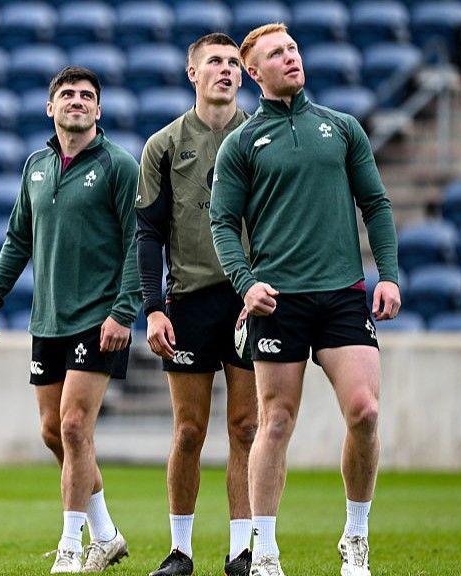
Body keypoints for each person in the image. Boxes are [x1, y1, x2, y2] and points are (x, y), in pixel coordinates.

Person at [210, 23, 401, 576]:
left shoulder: (341, 128)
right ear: (254, 71)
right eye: (276, 53)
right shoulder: (241, 143)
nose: (290, 58)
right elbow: (222, 222)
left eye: (292, 48)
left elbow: (377, 204)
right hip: (278, 302)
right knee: (276, 421)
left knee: (364, 412)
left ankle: (356, 538)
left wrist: (386, 274)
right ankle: (264, 551)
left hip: (344, 294)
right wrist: (246, 283)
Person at [0, 66, 140, 574]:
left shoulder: (118, 165)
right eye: (67, 94)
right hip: (47, 319)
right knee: (54, 431)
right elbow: (18, 238)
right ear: (51, 108)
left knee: (74, 425)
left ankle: (71, 547)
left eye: (87, 95)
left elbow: (140, 241)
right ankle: (107, 534)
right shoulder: (36, 165)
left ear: (99, 109)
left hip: (99, 318)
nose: (77, 101)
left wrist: (124, 309)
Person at [137, 33, 256, 576]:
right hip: (188, 300)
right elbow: (148, 231)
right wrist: (154, 308)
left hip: (251, 300)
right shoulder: (164, 145)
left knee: (246, 428)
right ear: (194, 74)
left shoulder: (261, 137)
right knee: (188, 430)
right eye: (216, 62)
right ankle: (180, 550)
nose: (227, 70)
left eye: (234, 62)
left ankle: (242, 551)